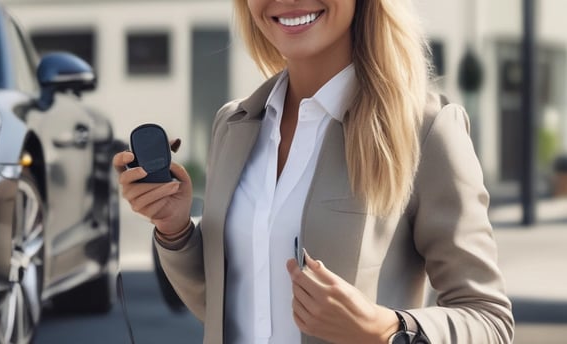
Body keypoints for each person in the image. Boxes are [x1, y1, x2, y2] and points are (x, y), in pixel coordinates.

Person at [112, 0, 514, 343]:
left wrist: (387, 329)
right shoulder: (233, 125)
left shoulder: (425, 129)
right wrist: (174, 228)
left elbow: (489, 320)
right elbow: (228, 307)